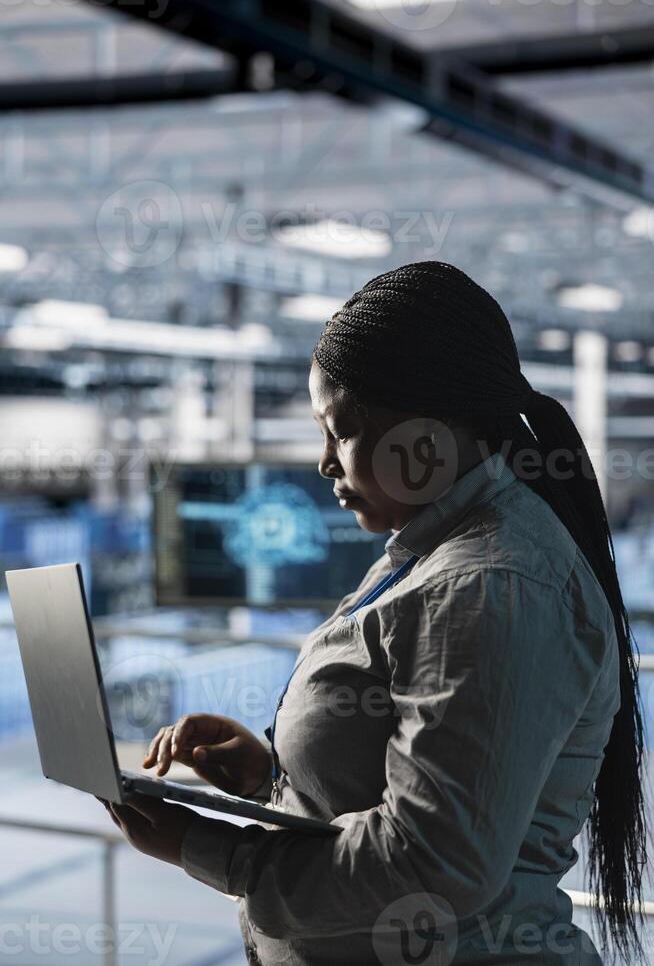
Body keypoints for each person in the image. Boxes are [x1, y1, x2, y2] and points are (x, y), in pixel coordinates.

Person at [100, 261, 649, 965]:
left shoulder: (490, 585)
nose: (326, 463)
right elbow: (409, 789)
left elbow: (432, 866)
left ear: (428, 432)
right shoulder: (432, 551)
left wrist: (207, 849)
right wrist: (271, 780)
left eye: (343, 431)